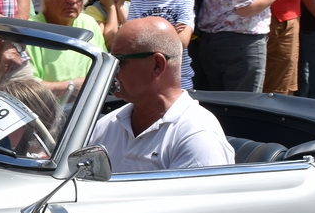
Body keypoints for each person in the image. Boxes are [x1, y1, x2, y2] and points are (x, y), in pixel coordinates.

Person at [90, 17, 234, 172]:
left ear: (157, 65)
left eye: (119, 62)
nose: (112, 71)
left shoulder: (198, 136)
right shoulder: (107, 125)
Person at [29, 0, 103, 91]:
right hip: (45, 109)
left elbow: (102, 69)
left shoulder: (89, 24)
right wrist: (72, 86)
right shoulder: (30, 32)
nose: (72, 0)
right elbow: (28, 87)